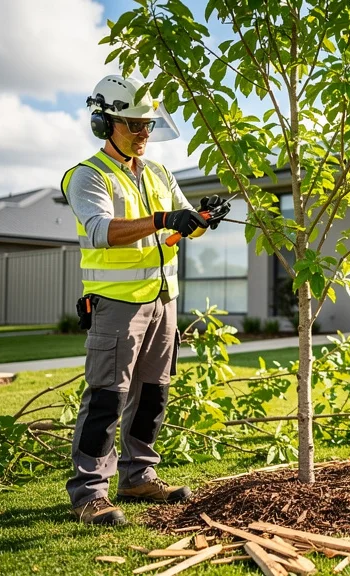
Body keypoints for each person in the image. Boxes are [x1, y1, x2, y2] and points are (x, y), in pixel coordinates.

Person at [60, 75, 227, 526]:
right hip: (116, 304)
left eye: (148, 125)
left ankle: (137, 476)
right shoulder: (87, 176)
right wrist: (161, 219)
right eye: (134, 124)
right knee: (106, 399)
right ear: (104, 123)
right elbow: (102, 231)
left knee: (153, 395)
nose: (143, 133)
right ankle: (89, 493)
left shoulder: (158, 173)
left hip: (164, 300)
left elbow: (178, 226)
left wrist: (201, 218)